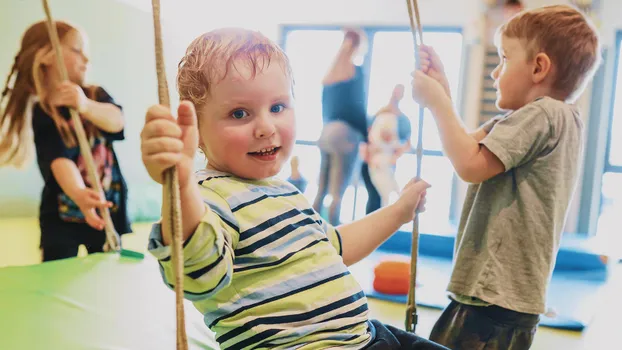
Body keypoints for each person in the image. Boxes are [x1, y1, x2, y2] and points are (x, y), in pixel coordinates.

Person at [141, 27, 447, 350]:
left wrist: (399, 211)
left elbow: (337, 246)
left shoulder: (283, 192)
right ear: (198, 132)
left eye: (277, 107)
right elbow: (199, 272)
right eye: (239, 113)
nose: (266, 127)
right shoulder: (210, 196)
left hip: (366, 335)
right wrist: (181, 181)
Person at [410, 5, 601, 349]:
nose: (495, 73)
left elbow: (470, 165)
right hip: (505, 299)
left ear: (539, 67)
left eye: (504, 59)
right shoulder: (555, 119)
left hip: (494, 295)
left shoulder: (541, 114)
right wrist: (444, 93)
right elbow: (467, 144)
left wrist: (438, 105)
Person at [0, 21, 131, 262]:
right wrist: (79, 193)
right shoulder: (44, 111)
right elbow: (59, 160)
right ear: (48, 56)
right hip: (61, 215)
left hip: (105, 207)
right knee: (56, 271)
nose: (86, 59)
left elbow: (117, 121)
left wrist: (85, 106)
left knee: (107, 270)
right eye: (77, 50)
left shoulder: (94, 95)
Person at [313, 28, 368, 225]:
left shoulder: (330, 73)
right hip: (345, 134)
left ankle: (309, 233)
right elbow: (358, 107)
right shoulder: (356, 70)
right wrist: (366, 136)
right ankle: (333, 241)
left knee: (321, 189)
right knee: (337, 193)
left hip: (326, 132)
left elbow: (325, 108)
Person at [360, 84, 412, 207]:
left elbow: (407, 145)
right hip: (373, 163)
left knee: (386, 197)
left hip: (387, 164)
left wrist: (394, 153)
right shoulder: (378, 115)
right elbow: (366, 139)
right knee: (374, 199)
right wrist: (369, 155)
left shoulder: (403, 121)